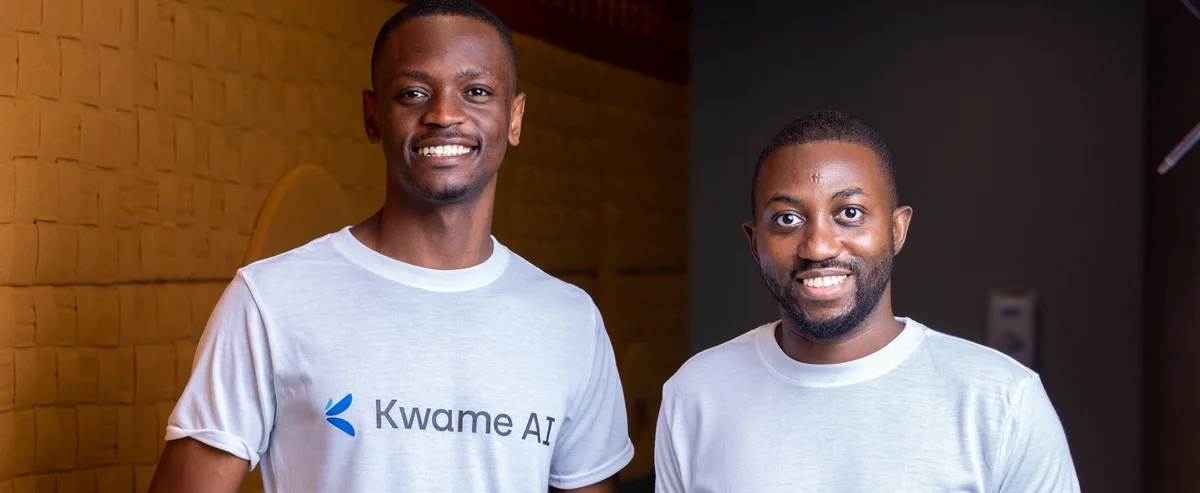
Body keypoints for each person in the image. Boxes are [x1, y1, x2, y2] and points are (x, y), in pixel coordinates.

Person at [148, 1, 633, 491]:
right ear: (373, 115)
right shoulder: (271, 300)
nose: (444, 114)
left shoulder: (570, 320)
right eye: (413, 92)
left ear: (515, 117)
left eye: (477, 92)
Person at [653, 110, 1079, 492]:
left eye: (850, 213)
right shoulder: (695, 394)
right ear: (753, 241)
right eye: (787, 219)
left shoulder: (1002, 402)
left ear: (897, 230)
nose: (818, 246)